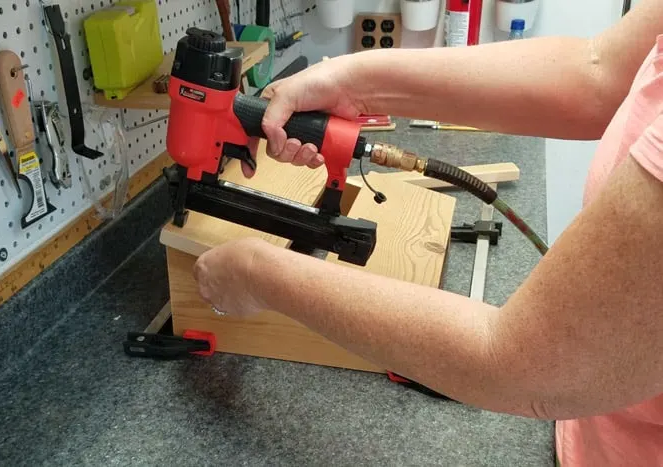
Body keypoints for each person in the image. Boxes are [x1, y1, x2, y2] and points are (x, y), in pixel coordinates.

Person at [193, 1, 663, 465]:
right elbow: (595, 71)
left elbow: (535, 369)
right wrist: (348, 82)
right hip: (593, 435)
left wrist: (256, 274)